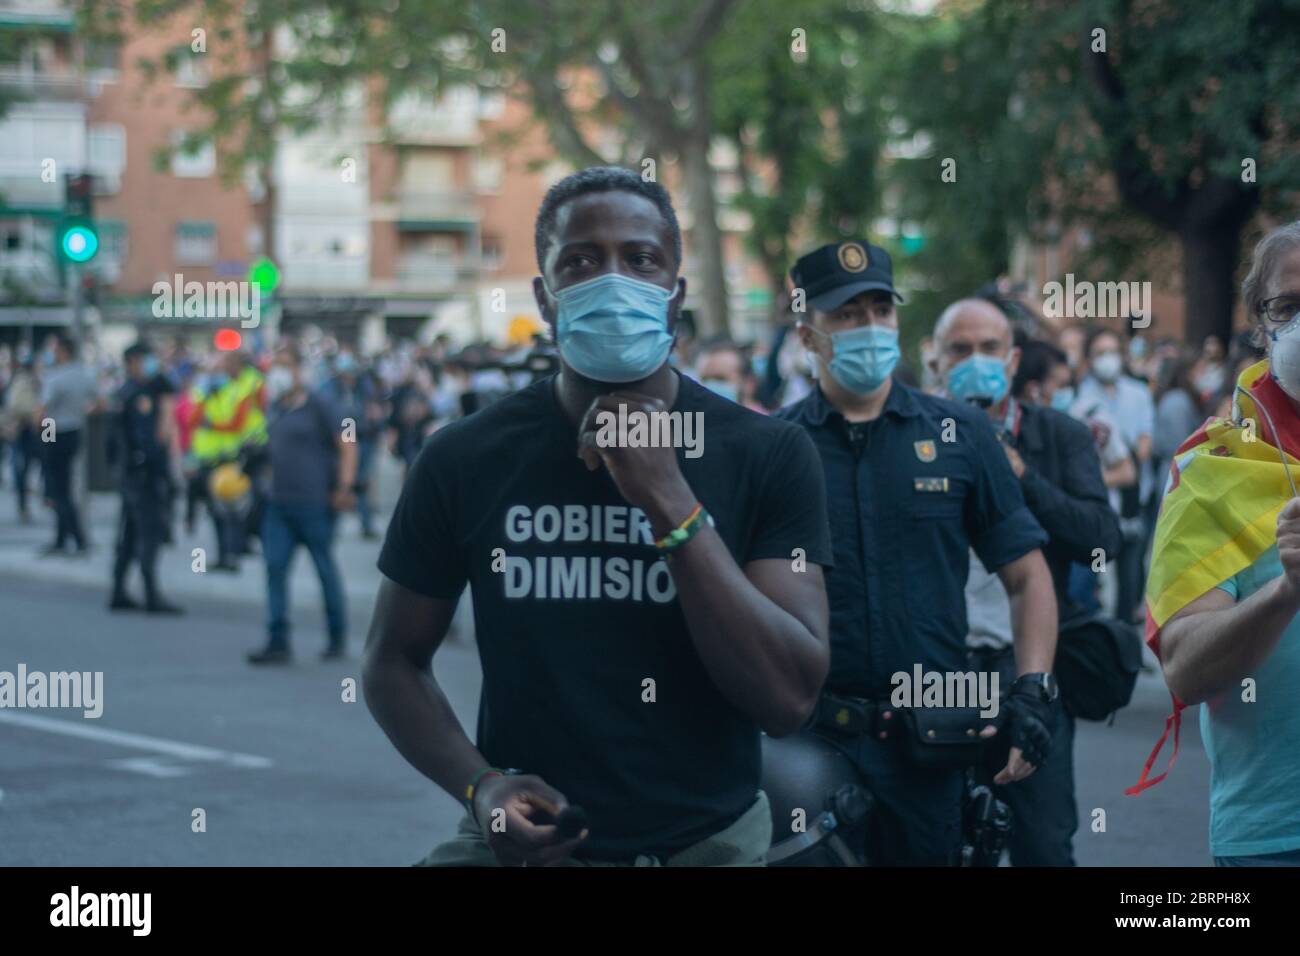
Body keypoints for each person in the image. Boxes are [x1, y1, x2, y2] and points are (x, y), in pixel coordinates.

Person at [364, 166, 833, 867]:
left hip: (708, 846)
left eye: (640, 260)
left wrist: (669, 499)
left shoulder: (768, 452)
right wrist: (482, 788)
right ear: (545, 298)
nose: (612, 281)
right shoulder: (465, 456)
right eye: (579, 262)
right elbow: (391, 660)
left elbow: (788, 697)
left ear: (674, 296)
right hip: (531, 850)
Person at [777, 240, 1057, 866]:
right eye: (847, 315)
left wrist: (1034, 688)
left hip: (931, 743)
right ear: (808, 334)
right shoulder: (776, 447)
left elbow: (1026, 575)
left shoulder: (960, 434)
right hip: (811, 743)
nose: (869, 328)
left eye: (880, 310)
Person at [932, 307, 1120, 866]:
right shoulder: (912, 435)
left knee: (1042, 842)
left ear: (1013, 360)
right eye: (960, 351)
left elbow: (1101, 541)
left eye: (990, 348)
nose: (976, 363)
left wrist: (1022, 478)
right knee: (942, 842)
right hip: (938, 677)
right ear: (935, 361)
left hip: (1031, 677)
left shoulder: (1058, 436)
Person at [1140, 221, 1300, 865]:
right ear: (1262, 328)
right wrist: (1287, 593)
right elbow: (1184, 667)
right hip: (1279, 837)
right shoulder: (1212, 471)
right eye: (1290, 306)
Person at [247, 344, 357, 665]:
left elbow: (348, 445)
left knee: (325, 569)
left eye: (284, 366)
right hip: (279, 503)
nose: (278, 373)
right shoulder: (278, 408)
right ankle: (277, 640)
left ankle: (337, 636)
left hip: (315, 504)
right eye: (274, 366)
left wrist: (344, 487)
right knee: (274, 569)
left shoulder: (320, 406)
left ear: (298, 370)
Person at [1077, 327, 1154, 622]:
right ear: (1089, 359)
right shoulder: (1081, 398)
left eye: (1111, 352)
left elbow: (1146, 440)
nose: (1106, 359)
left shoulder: (1138, 393)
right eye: (1099, 353)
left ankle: (1125, 639)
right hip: (1098, 502)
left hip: (1136, 497)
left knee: (1131, 574)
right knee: (1094, 572)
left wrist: (1124, 461)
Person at [108, 343, 183, 615]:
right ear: (132, 362)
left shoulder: (124, 392)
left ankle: (118, 590)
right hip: (144, 475)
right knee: (148, 533)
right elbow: (150, 440)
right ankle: (151, 593)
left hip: (130, 474)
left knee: (128, 533)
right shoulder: (139, 396)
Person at [36, 333, 97, 556]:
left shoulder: (55, 377)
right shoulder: (84, 375)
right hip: (74, 431)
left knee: (57, 488)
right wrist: (81, 413)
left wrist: (38, 433)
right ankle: (62, 539)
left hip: (54, 431)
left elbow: (41, 412)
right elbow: (99, 402)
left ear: (62, 351)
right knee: (63, 485)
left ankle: (76, 538)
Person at [319, 351, 383, 539]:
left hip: (363, 436)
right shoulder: (330, 388)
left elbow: (375, 408)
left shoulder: (364, 387)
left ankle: (366, 523)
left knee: (361, 481)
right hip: (344, 435)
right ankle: (334, 523)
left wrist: (374, 423)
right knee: (343, 479)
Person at [2, 352, 41, 523]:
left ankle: (26, 502)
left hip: (23, 429)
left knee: (21, 465)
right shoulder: (27, 382)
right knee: (25, 465)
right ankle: (29, 501)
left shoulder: (17, 382)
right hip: (28, 429)